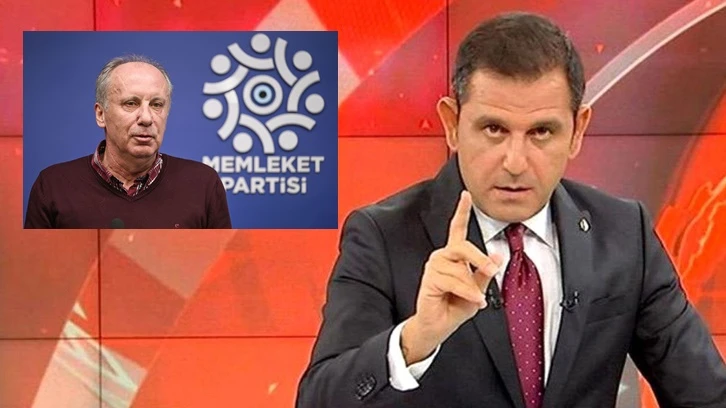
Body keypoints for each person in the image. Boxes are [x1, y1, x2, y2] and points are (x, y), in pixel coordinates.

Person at [296, 12, 726, 408]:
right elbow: (318, 400)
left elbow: (706, 395)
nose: (516, 162)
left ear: (578, 131)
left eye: (541, 132)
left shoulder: (623, 234)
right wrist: (414, 340)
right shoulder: (382, 236)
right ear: (452, 124)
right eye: (493, 129)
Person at [25, 55, 232, 229]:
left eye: (156, 104)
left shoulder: (203, 184)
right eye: (131, 103)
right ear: (101, 114)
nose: (147, 118)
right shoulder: (53, 186)